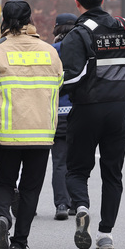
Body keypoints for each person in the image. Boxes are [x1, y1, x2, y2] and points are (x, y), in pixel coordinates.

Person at [60, 0, 125, 249]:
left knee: (76, 170)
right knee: (112, 174)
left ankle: (82, 206)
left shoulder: (78, 34)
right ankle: (105, 234)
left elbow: (71, 79)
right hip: (120, 110)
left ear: (76, 1)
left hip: (87, 111)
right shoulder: (123, 27)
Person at [0, 0, 63, 249]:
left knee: (4, 181)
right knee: (30, 189)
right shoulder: (50, 51)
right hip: (41, 133)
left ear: (4, 20)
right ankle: (19, 243)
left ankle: (1, 217)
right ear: (31, 20)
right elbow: (59, 82)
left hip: (8, 132)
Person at [51, 13, 78, 221]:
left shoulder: (50, 52)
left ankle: (61, 203)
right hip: (79, 114)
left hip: (55, 115)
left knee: (59, 161)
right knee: (77, 162)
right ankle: (77, 203)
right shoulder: (81, 49)